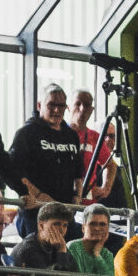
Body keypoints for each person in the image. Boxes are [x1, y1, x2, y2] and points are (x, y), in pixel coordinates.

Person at [9, 81, 85, 210]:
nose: (57, 110)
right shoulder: (27, 133)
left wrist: (78, 195)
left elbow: (78, 172)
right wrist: (38, 195)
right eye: (51, 105)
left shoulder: (71, 135)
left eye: (61, 106)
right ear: (39, 105)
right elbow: (12, 170)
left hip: (65, 210)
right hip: (36, 209)